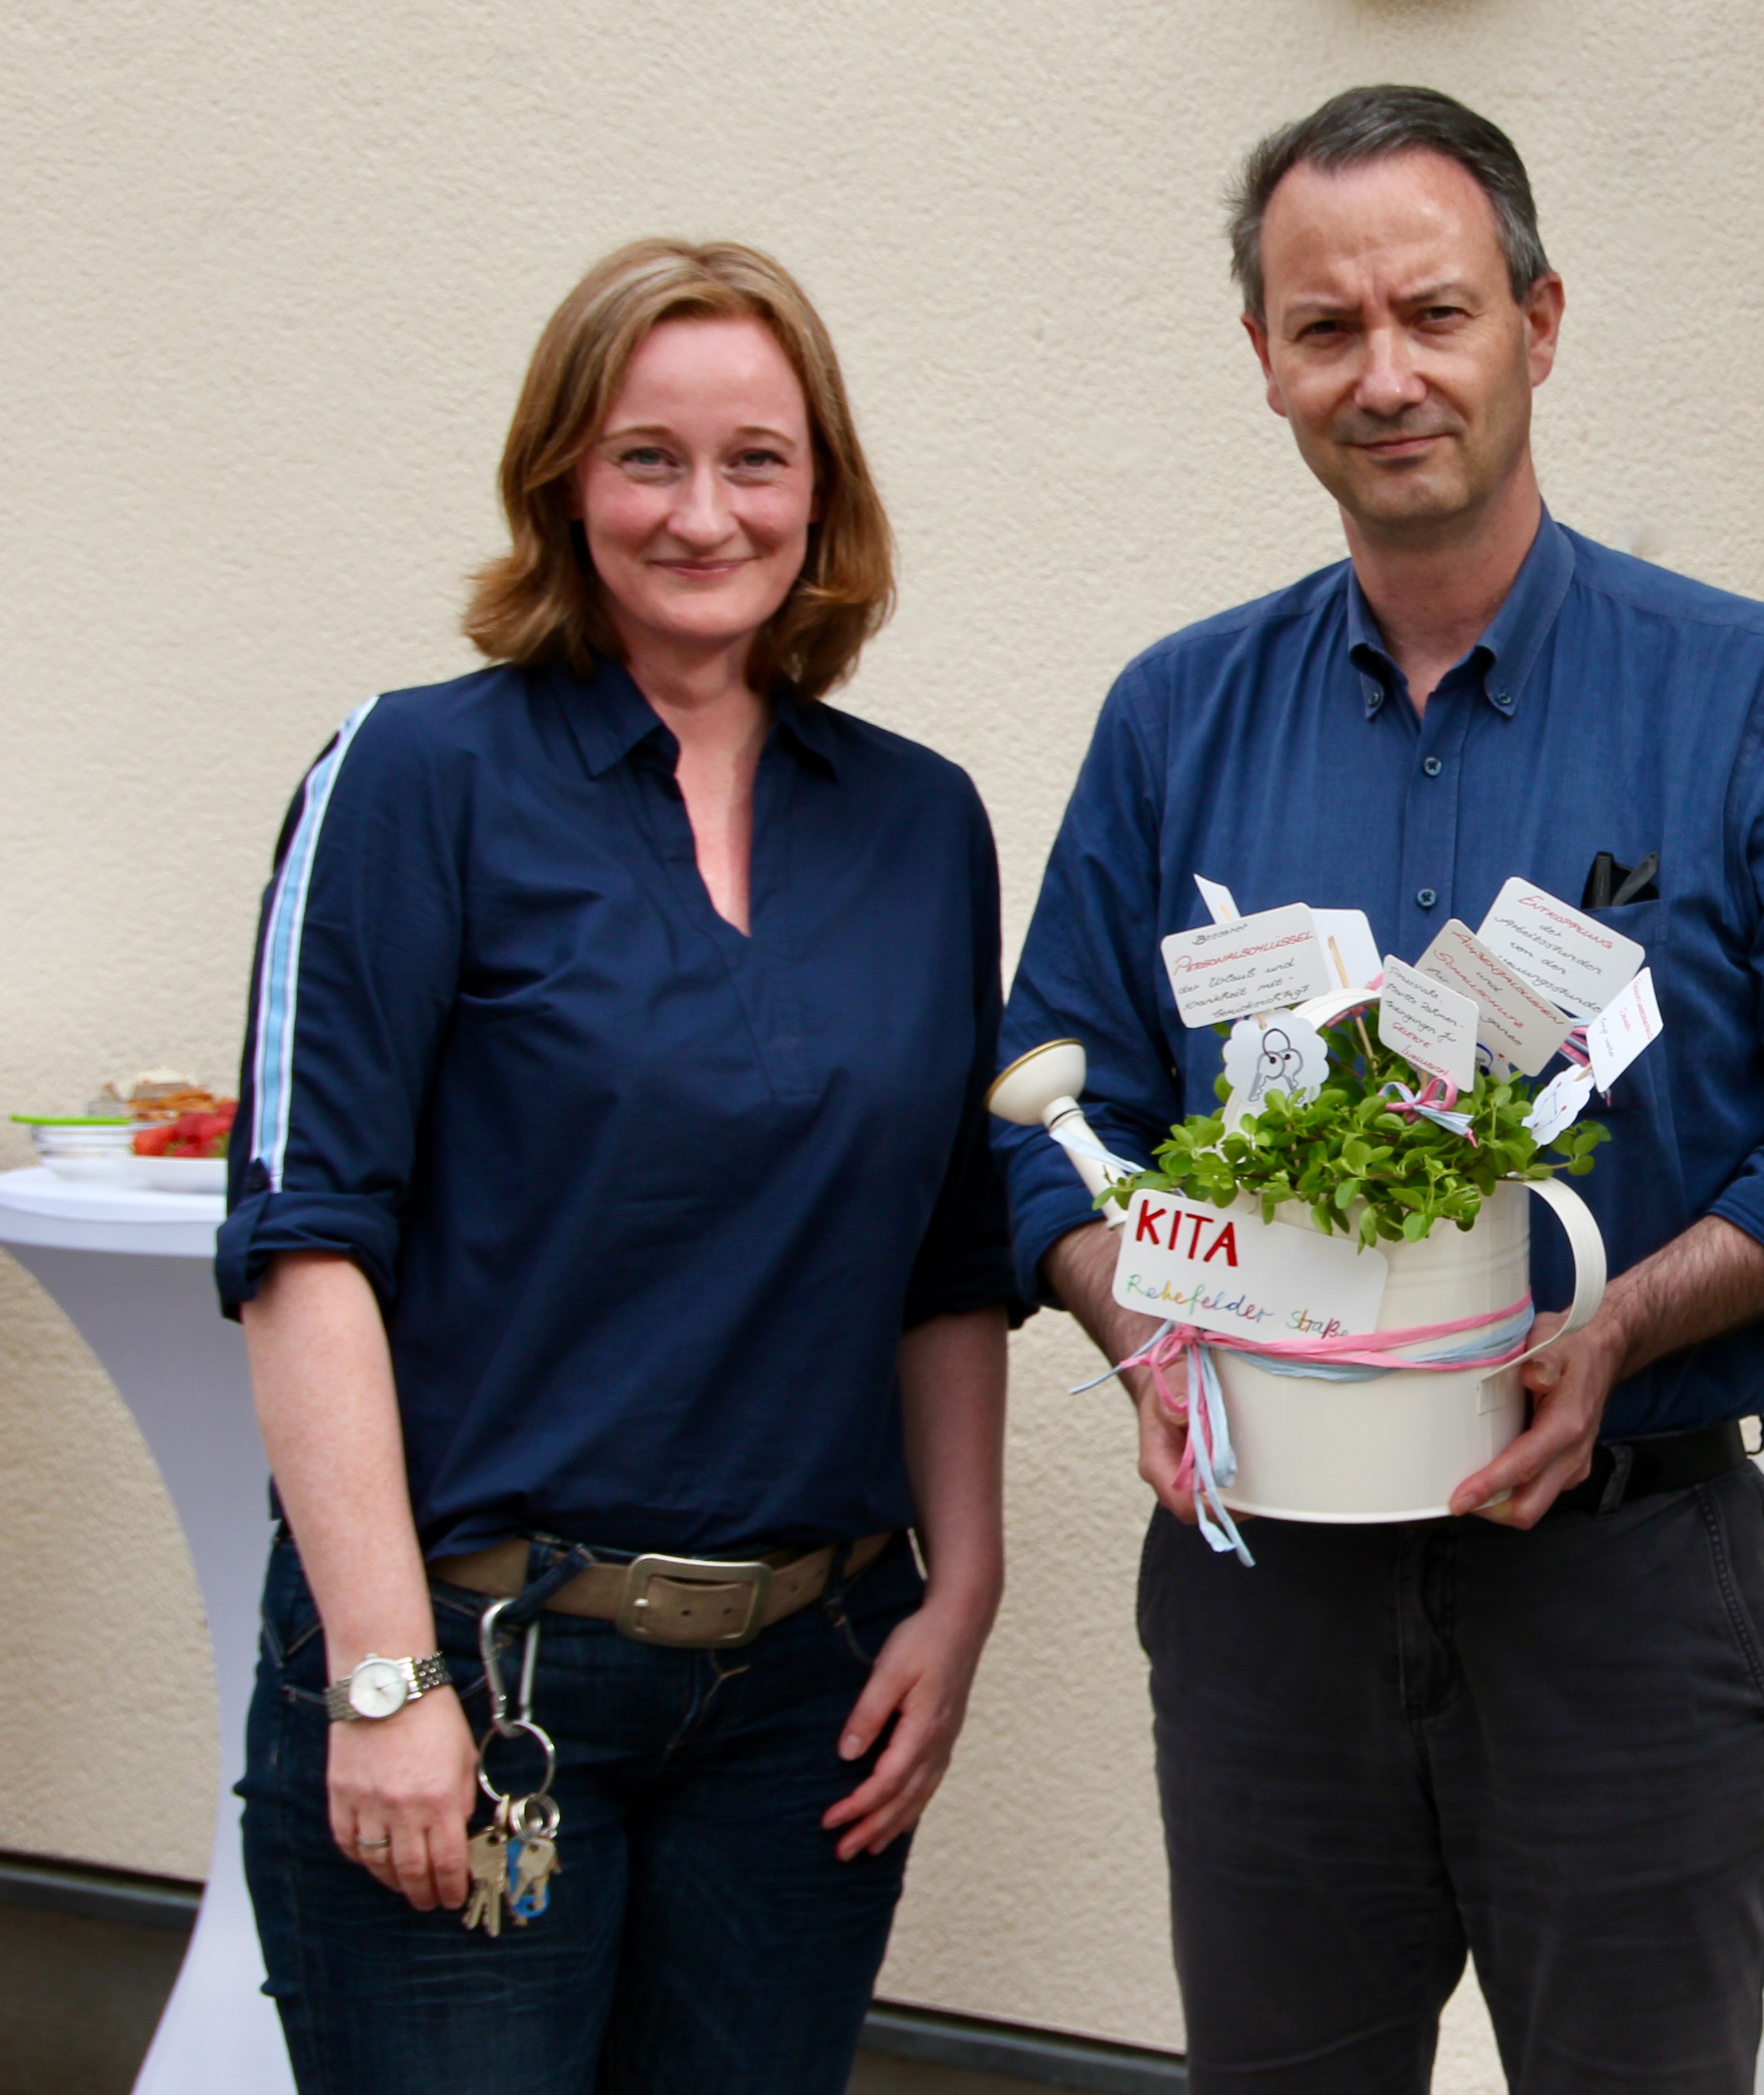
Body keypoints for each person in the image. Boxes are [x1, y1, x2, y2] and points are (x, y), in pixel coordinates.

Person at [996, 84, 1764, 2095]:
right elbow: (1029, 1131)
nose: (1386, 373)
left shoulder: (1754, 700)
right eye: (1326, 329)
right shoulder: (1177, 716)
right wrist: (1132, 1315)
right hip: (1270, 1597)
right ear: (1262, 363)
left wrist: (1619, 1321)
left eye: (1433, 313)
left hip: (1619, 1588)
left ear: (1539, 317)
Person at [221, 239, 1018, 2094]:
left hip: (805, 1697)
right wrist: (380, 1673)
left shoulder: (918, 820)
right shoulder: (417, 776)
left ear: (823, 491)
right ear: (561, 480)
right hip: (483, 1670)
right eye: (646, 455)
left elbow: (949, 1253)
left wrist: (958, 1587)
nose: (702, 510)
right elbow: (306, 1237)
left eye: (757, 457)